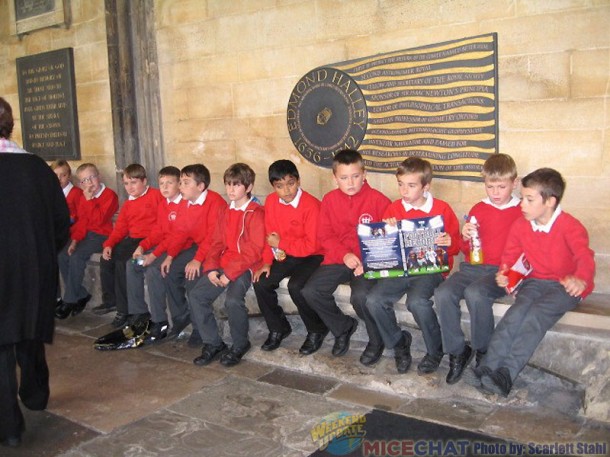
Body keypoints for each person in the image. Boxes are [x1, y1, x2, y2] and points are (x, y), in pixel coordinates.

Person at [474, 168, 595, 397]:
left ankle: (506, 374)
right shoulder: (521, 225)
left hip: (564, 286)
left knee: (535, 315)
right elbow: (510, 256)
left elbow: (584, 256)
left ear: (550, 201)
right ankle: (488, 366)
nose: (522, 205)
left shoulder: (570, 225)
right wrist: (505, 273)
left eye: (529, 200)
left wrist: (581, 279)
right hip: (535, 282)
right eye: (523, 198)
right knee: (515, 315)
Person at [0, 97, 70, 447]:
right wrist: (41, 254)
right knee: (29, 329)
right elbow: (61, 223)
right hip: (33, 267)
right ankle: (35, 393)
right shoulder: (38, 168)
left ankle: (9, 427)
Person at [364, 157, 460, 374]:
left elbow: (455, 246)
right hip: (399, 270)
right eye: (400, 184)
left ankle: (435, 350)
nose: (404, 190)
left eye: (411, 185)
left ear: (426, 186)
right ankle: (399, 343)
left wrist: (449, 242)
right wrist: (386, 231)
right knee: (374, 300)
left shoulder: (441, 209)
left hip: (429, 270)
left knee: (417, 302)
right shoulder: (393, 208)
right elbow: (384, 249)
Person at [435, 154, 521, 384]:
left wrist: (512, 275)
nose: (495, 192)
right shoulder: (479, 208)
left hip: (499, 271)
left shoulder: (522, 210)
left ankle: (484, 351)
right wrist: (465, 236)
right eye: (490, 186)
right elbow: (467, 247)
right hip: (472, 267)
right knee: (443, 293)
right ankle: (456, 351)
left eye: (501, 186)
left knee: (476, 293)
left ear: (514, 183)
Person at [301, 150, 391, 360]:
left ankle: (376, 339)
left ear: (364, 174)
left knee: (360, 297)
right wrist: (344, 255)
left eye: (355, 176)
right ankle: (342, 327)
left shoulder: (379, 201)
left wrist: (367, 262)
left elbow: (385, 240)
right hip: (338, 258)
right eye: (343, 178)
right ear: (335, 179)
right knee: (310, 291)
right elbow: (325, 235)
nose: (350, 182)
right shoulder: (330, 200)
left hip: (366, 263)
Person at [188, 163, 265, 367]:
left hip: (244, 267)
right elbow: (216, 242)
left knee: (232, 300)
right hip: (223, 264)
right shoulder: (225, 211)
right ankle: (213, 343)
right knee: (197, 296)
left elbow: (254, 250)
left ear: (248, 187)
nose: (230, 190)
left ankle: (240, 344)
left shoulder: (255, 213)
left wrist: (229, 274)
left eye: (236, 185)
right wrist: (211, 268)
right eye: (228, 185)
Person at [253, 160, 327, 354]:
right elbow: (270, 235)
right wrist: (267, 262)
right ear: (273, 187)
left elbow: (310, 246)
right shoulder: (271, 201)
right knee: (261, 282)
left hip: (313, 255)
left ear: (299, 181)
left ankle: (316, 330)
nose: (286, 190)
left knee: (297, 287)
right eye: (279, 186)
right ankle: (279, 328)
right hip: (286, 252)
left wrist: (280, 244)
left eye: (290, 183)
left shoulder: (311, 205)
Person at [150, 164, 227, 344]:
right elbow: (180, 232)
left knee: (192, 276)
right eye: (181, 183)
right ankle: (180, 317)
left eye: (185, 183)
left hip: (217, 249)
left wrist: (197, 260)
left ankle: (199, 328)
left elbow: (213, 237)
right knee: (168, 270)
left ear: (200, 187)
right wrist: (170, 256)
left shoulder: (215, 203)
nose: (180, 187)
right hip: (200, 246)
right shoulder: (186, 202)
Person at [124, 166, 185, 343]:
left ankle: (160, 322)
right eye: (161, 183)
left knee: (153, 271)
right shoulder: (164, 204)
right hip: (162, 247)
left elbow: (176, 236)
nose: (165, 187)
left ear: (179, 184)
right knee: (132, 264)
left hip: (178, 249)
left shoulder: (183, 204)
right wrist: (142, 247)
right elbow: (158, 231)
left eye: (169, 183)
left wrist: (153, 255)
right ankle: (139, 313)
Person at [97, 164, 162, 328]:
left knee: (123, 263)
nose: (129, 187)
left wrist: (145, 244)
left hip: (149, 240)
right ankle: (111, 300)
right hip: (132, 239)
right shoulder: (127, 204)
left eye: (133, 182)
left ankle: (124, 310)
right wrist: (109, 244)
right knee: (106, 259)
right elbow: (120, 229)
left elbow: (162, 225)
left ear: (144, 181)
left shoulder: (156, 196)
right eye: (126, 184)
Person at [55, 163, 119, 319]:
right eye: (84, 181)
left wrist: (90, 200)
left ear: (99, 177)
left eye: (92, 178)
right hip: (86, 234)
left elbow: (99, 221)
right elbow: (82, 222)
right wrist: (75, 240)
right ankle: (81, 294)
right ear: (80, 184)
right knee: (63, 255)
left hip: (102, 235)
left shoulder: (110, 195)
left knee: (77, 257)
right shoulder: (84, 197)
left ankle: (69, 300)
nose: (89, 183)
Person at [51, 160, 83, 225]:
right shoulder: (49, 192)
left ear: (69, 176)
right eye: (55, 175)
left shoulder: (77, 193)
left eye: (64, 175)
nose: (58, 178)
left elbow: (81, 216)